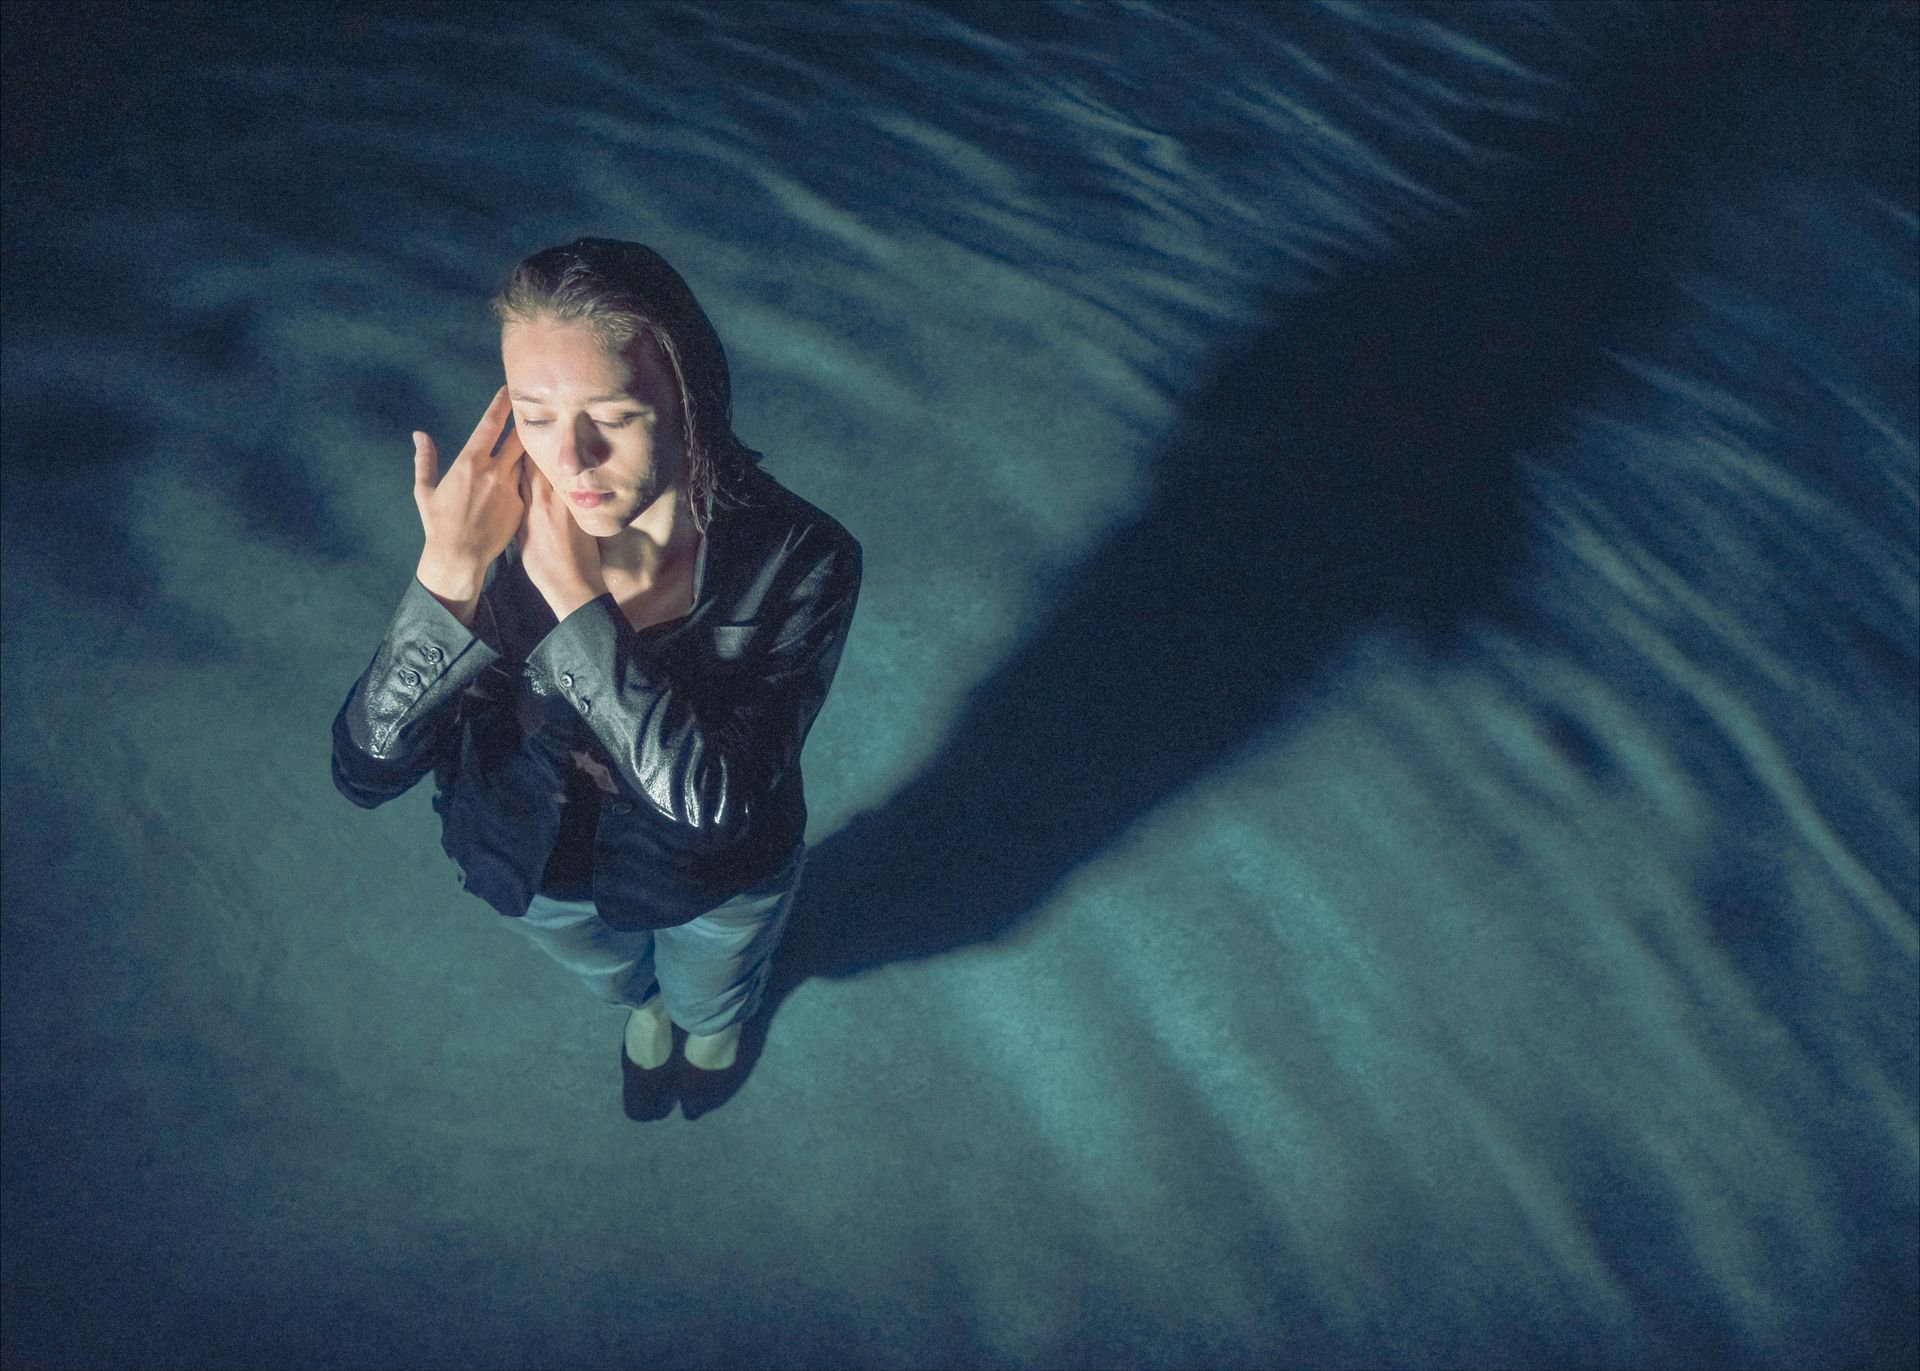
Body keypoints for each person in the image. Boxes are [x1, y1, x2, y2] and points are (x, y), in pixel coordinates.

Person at [331, 238, 861, 1120]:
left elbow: (710, 810)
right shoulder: (491, 533)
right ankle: (649, 1004)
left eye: (609, 417)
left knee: (718, 979)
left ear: (691, 401)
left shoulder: (803, 555)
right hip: (529, 861)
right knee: (612, 973)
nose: (568, 459)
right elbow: (362, 772)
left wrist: (577, 604)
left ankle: (711, 1019)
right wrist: (447, 580)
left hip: (716, 877)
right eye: (534, 416)